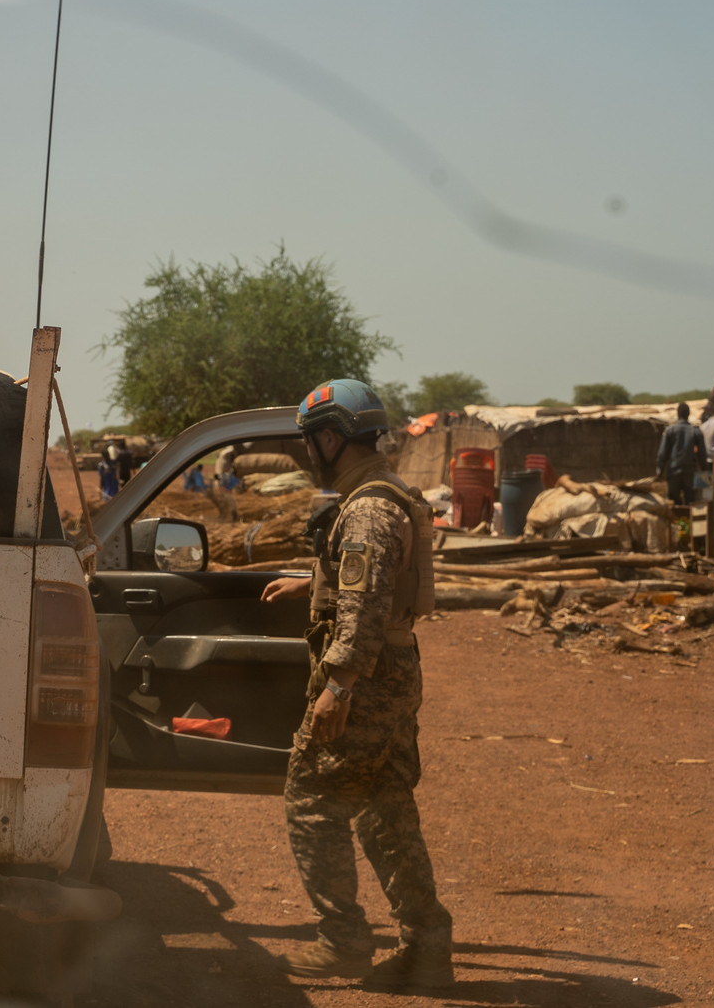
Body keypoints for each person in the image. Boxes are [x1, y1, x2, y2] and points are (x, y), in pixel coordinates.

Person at [259, 379, 454, 990]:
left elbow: (366, 600)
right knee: (386, 809)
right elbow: (367, 580)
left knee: (312, 804)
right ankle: (427, 946)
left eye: (311, 441)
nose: (307, 452)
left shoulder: (366, 507)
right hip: (393, 670)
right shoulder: (385, 493)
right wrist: (311, 581)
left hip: (364, 678)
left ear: (330, 438)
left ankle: (342, 941)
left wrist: (337, 686)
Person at [656, 402, 707, 508]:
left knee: (673, 501)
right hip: (689, 472)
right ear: (688, 414)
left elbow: (662, 453)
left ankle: (675, 522)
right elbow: (702, 454)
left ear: (678, 414)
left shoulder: (670, 430)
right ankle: (689, 522)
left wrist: (659, 470)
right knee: (690, 501)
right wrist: (705, 470)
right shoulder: (695, 431)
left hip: (674, 470)